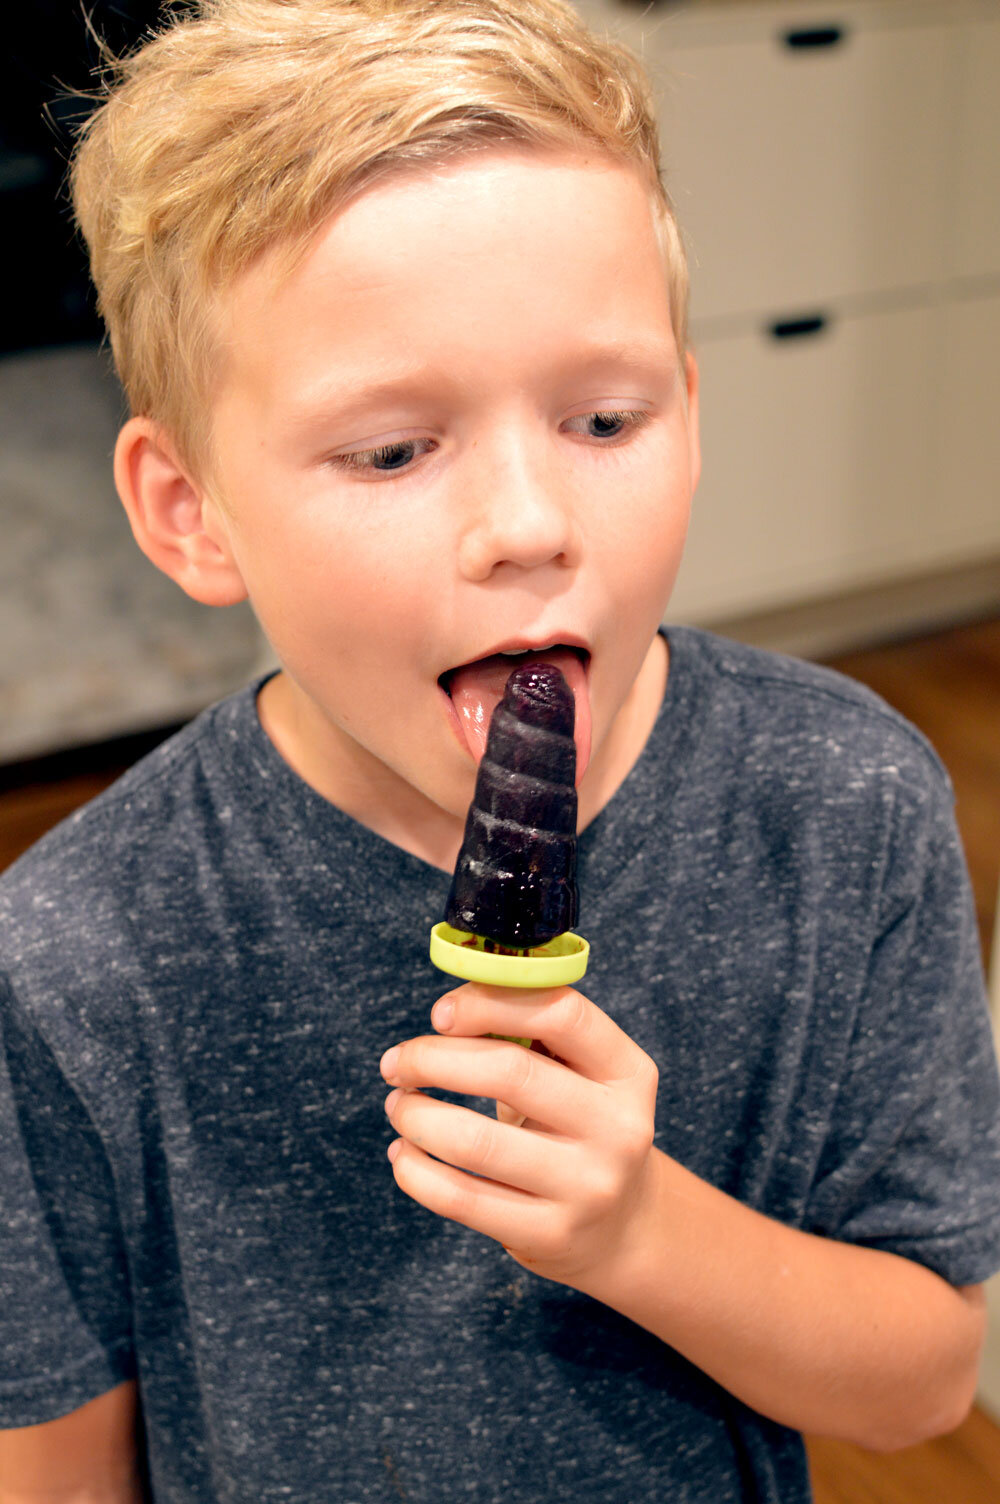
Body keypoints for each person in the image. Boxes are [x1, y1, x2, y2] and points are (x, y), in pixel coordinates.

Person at [1, 2, 998, 1500]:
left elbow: (922, 1382)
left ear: (693, 407)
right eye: (396, 449)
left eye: (604, 417)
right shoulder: (80, 956)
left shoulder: (844, 809)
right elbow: (59, 1473)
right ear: (189, 510)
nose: (532, 526)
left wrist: (643, 1234)